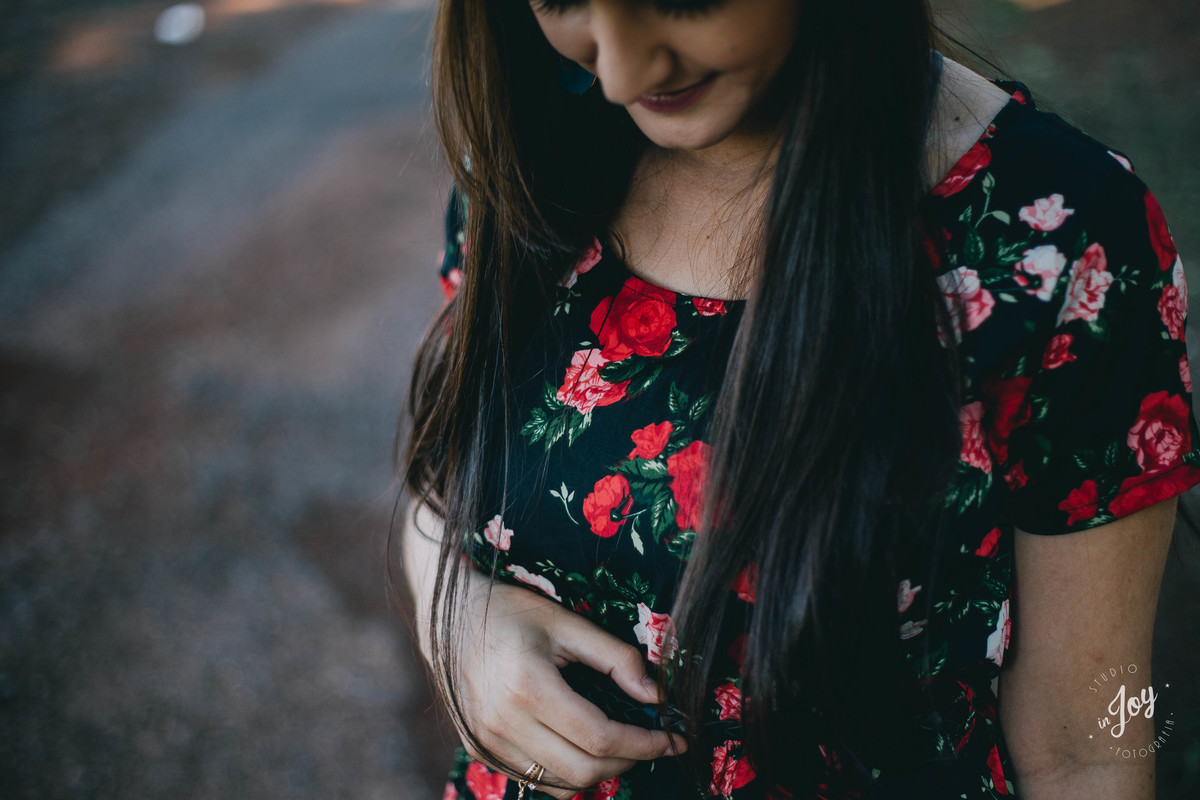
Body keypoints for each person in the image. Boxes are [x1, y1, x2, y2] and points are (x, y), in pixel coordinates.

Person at [398, 1, 1200, 798]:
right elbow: (438, 487)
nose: (619, 70)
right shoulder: (534, 144)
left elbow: (1087, 745)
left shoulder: (1055, 235)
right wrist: (462, 625)